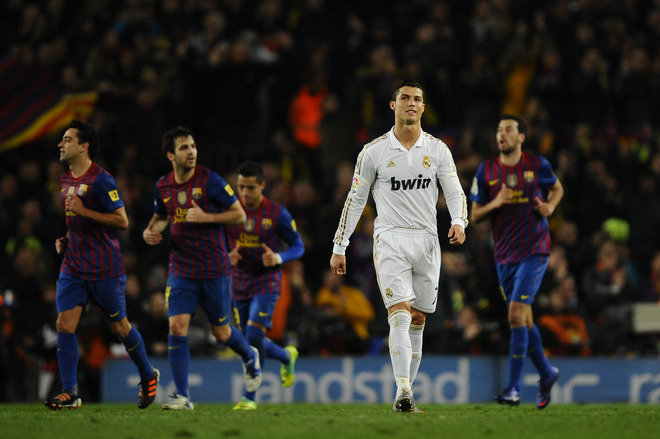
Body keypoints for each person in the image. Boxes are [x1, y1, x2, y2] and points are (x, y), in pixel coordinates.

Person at [329, 80, 468, 413]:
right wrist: (340, 245)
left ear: (423, 107)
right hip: (390, 237)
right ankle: (403, 390)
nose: (411, 103)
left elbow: (454, 190)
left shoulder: (437, 150)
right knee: (400, 314)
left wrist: (459, 221)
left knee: (419, 317)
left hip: (427, 239)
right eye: (405, 98)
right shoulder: (374, 152)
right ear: (393, 106)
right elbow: (355, 198)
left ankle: (407, 392)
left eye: (417, 99)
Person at [142, 126, 261, 410]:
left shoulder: (211, 181)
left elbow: (239, 215)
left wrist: (205, 216)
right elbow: (161, 216)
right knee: (176, 326)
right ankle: (182, 396)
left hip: (214, 269)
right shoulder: (163, 186)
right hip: (181, 269)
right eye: (184, 147)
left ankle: (249, 356)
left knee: (221, 333)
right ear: (171, 155)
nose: (192, 151)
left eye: (193, 146)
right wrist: (150, 230)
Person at [46, 120, 159, 410]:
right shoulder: (66, 178)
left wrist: (85, 210)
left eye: (67, 139)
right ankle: (70, 391)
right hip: (73, 266)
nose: (61, 144)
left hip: (104, 268)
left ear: (84, 146)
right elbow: (77, 221)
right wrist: (67, 237)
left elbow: (122, 221)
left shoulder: (102, 180)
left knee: (120, 327)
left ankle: (147, 374)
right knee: (64, 323)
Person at [469, 114, 563, 409]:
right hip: (505, 256)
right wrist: (496, 203)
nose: (502, 135)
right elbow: (474, 215)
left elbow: (557, 189)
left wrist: (550, 206)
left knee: (514, 316)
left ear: (521, 136)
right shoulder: (486, 171)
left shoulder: (538, 165)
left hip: (535, 251)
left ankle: (513, 388)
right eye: (499, 130)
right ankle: (547, 373)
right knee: (524, 319)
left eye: (508, 130)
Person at [226, 161, 305, 410]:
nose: (245, 194)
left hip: (266, 280)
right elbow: (217, 241)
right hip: (239, 280)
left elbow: (298, 246)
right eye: (241, 188)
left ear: (262, 185)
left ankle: (250, 397)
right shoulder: (230, 210)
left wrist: (279, 257)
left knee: (251, 335)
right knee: (251, 338)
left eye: (250, 188)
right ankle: (285, 355)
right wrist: (227, 254)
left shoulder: (276, 213)